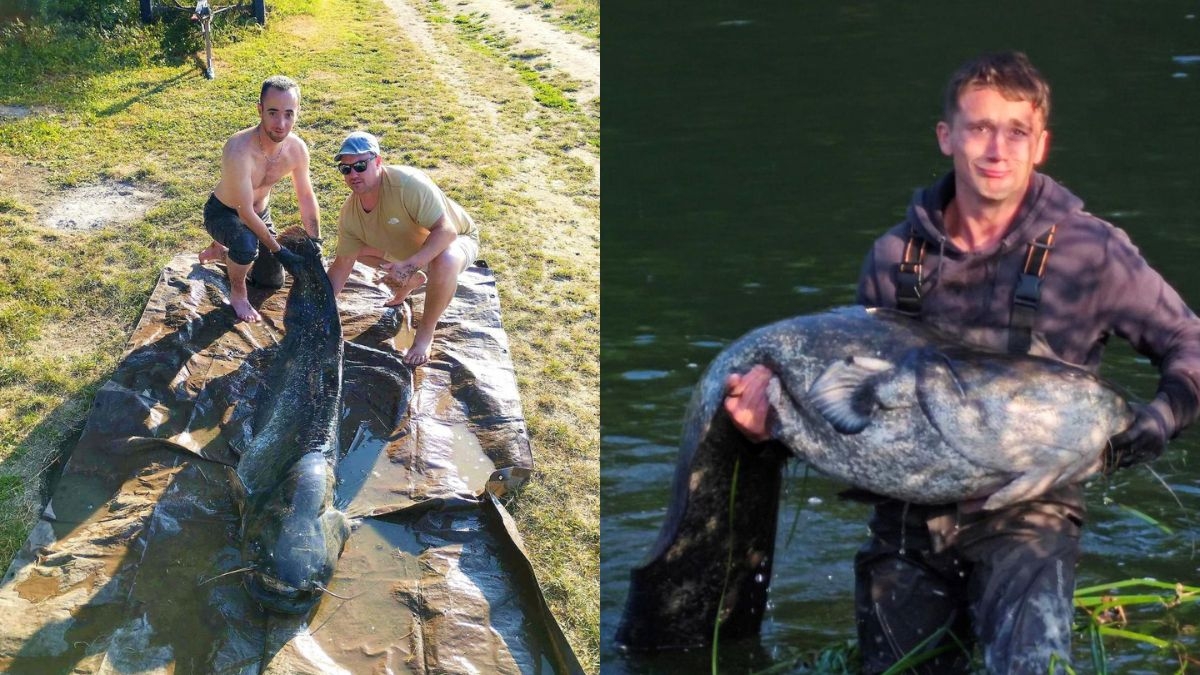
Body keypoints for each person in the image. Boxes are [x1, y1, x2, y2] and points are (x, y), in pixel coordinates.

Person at [723, 51, 1200, 673]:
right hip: (905, 519)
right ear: (947, 137)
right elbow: (849, 408)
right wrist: (770, 428)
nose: (996, 149)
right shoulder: (894, 256)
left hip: (1032, 519)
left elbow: (1190, 341)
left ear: (1041, 145)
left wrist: (1159, 420)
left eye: (1016, 132)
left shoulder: (1093, 253)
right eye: (979, 128)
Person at [325, 131, 481, 367]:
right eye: (346, 169)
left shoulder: (407, 183)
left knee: (446, 260)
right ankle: (412, 279)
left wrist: (409, 265)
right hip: (413, 251)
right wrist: (320, 307)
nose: (353, 174)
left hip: (457, 240)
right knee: (355, 249)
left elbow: (446, 232)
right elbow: (341, 265)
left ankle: (425, 333)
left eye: (360, 165)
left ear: (378, 162)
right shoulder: (350, 214)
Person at [198, 75, 321, 323]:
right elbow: (244, 213)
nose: (281, 123)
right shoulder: (238, 149)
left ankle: (221, 253)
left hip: (261, 215)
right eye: (273, 113)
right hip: (224, 213)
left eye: (289, 114)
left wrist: (315, 241)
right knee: (245, 245)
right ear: (260, 110)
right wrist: (277, 248)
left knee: (273, 280)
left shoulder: (297, 149)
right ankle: (238, 292)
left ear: (297, 113)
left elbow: (306, 196)